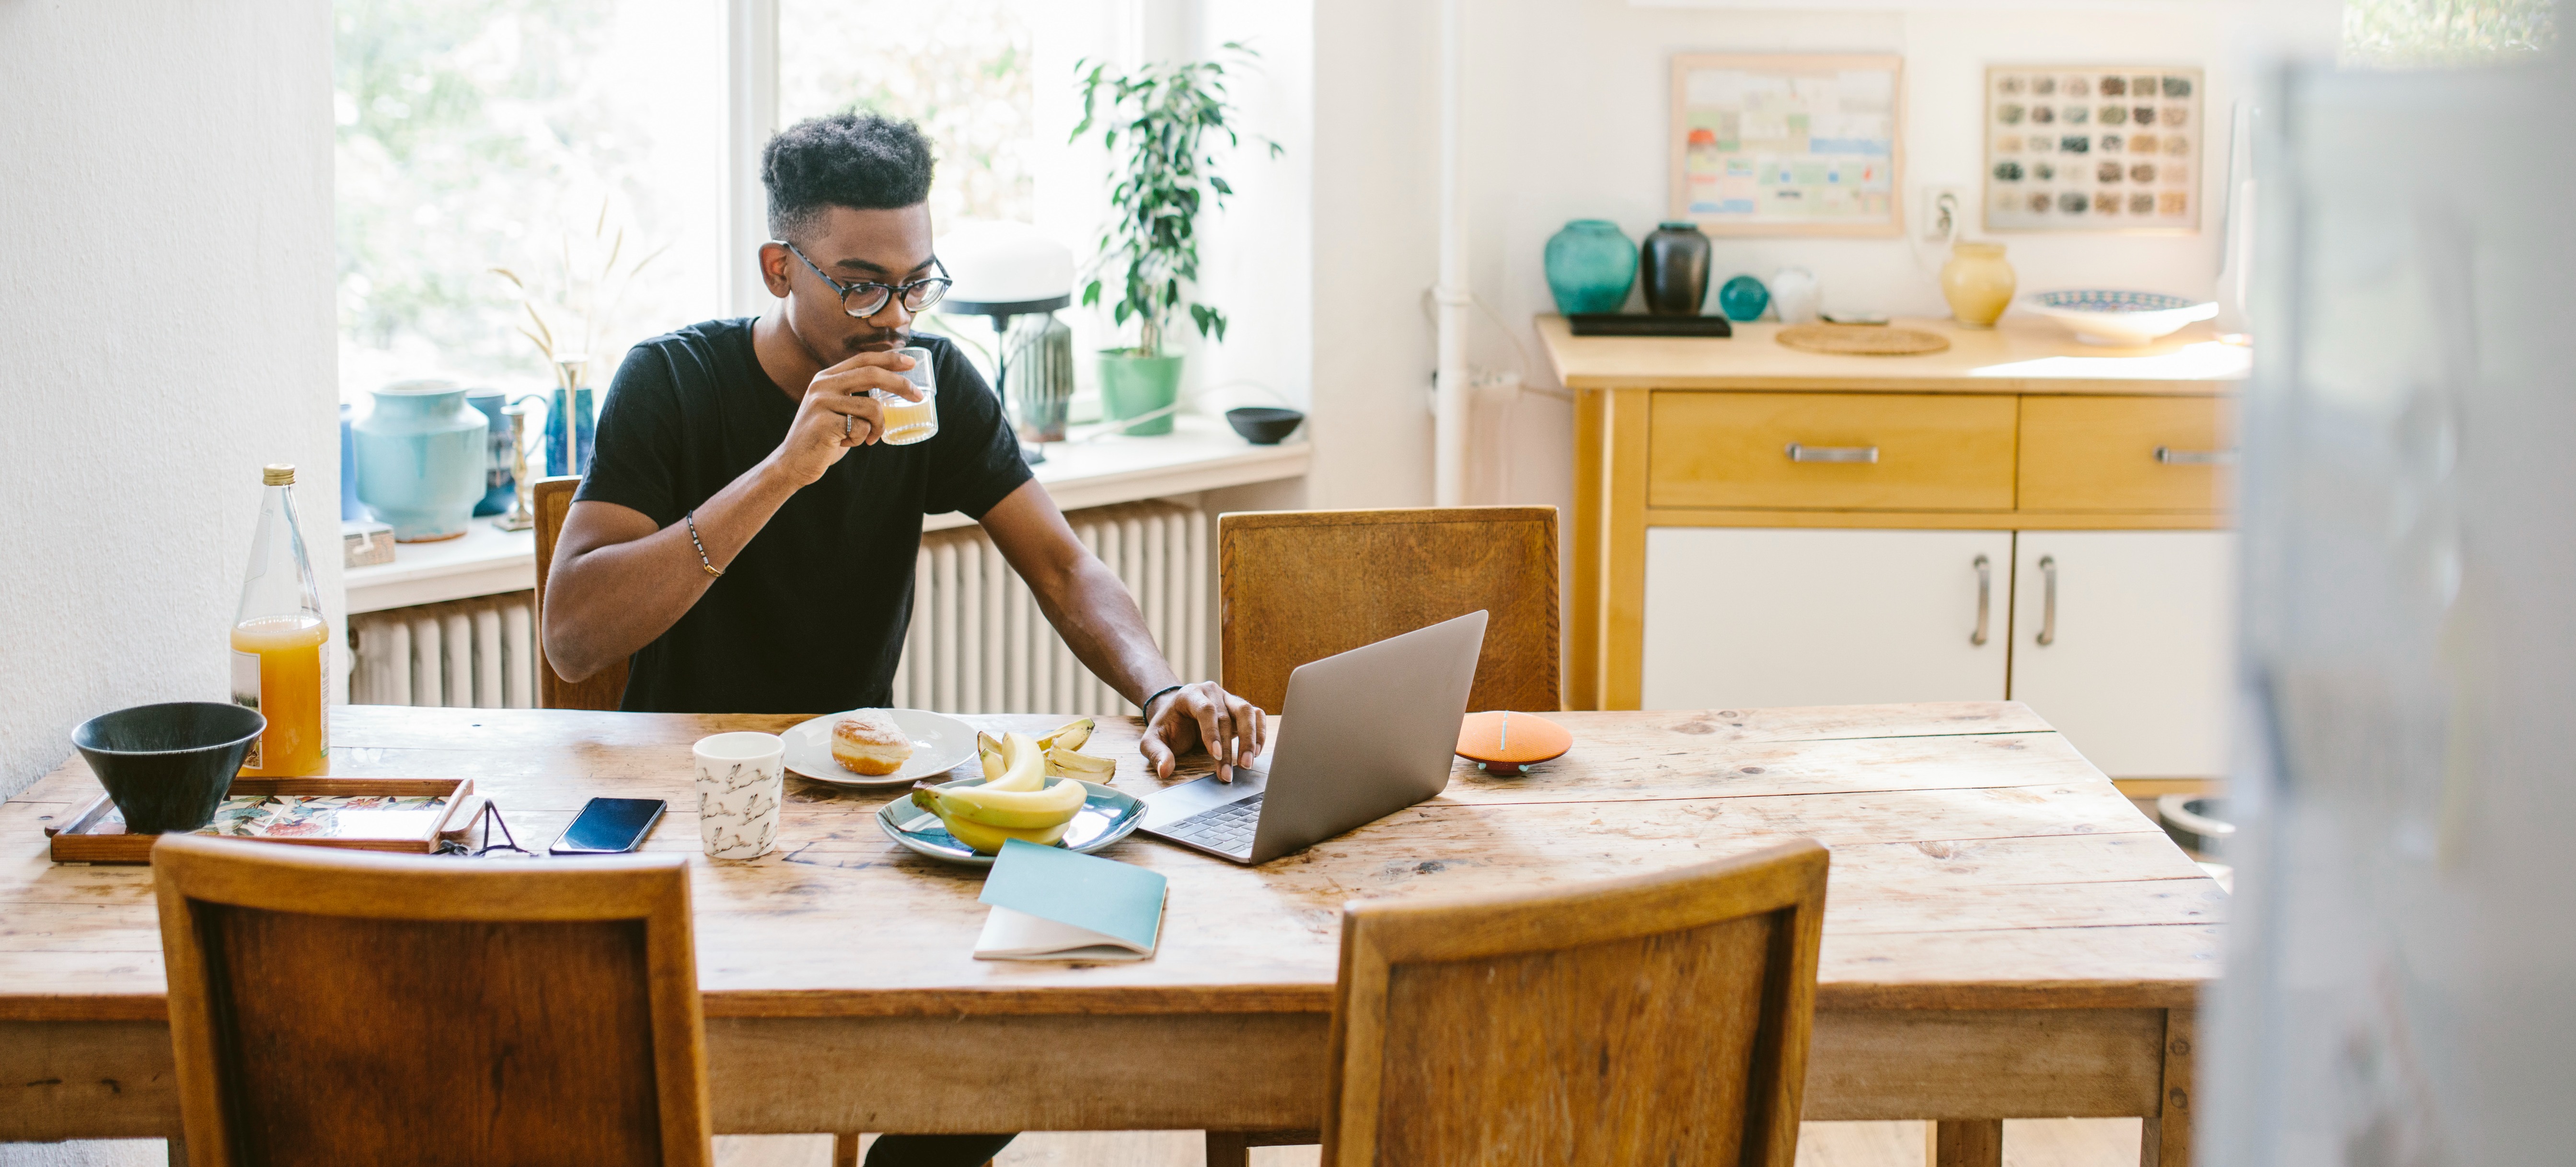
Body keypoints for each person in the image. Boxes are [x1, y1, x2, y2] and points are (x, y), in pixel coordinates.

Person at [541, 113, 1267, 1167]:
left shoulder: (939, 379)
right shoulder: (673, 382)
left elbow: (1064, 565)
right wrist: (786, 469)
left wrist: (1161, 690)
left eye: (919, 283)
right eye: (862, 285)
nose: (896, 317)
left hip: (870, 800)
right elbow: (573, 635)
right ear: (780, 267)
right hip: (709, 801)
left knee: (1077, 953)